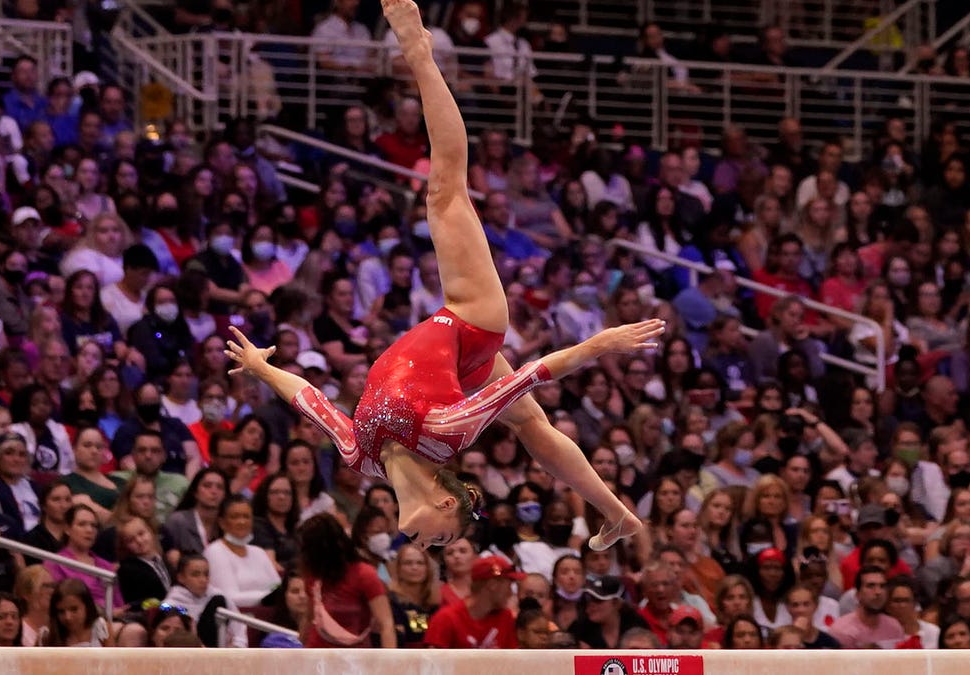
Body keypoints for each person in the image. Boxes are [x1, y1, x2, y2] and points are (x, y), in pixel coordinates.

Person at [226, 0, 662, 553]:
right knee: (445, 190)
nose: (427, 546)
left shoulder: (360, 457)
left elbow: (309, 399)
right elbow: (530, 374)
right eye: (440, 540)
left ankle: (616, 514)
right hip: (472, 320)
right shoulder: (444, 434)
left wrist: (263, 369)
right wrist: (603, 341)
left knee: (532, 431)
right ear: (446, 502)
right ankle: (420, 53)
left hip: (462, 360)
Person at [423, 556, 521, 648]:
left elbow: (513, 662)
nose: (510, 592)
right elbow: (432, 663)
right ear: (493, 585)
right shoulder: (446, 619)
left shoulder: (505, 617)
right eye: (508, 586)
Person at [827, 565, 904, 648]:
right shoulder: (841, 631)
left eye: (882, 586)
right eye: (871, 586)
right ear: (858, 594)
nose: (878, 592)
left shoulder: (894, 627)